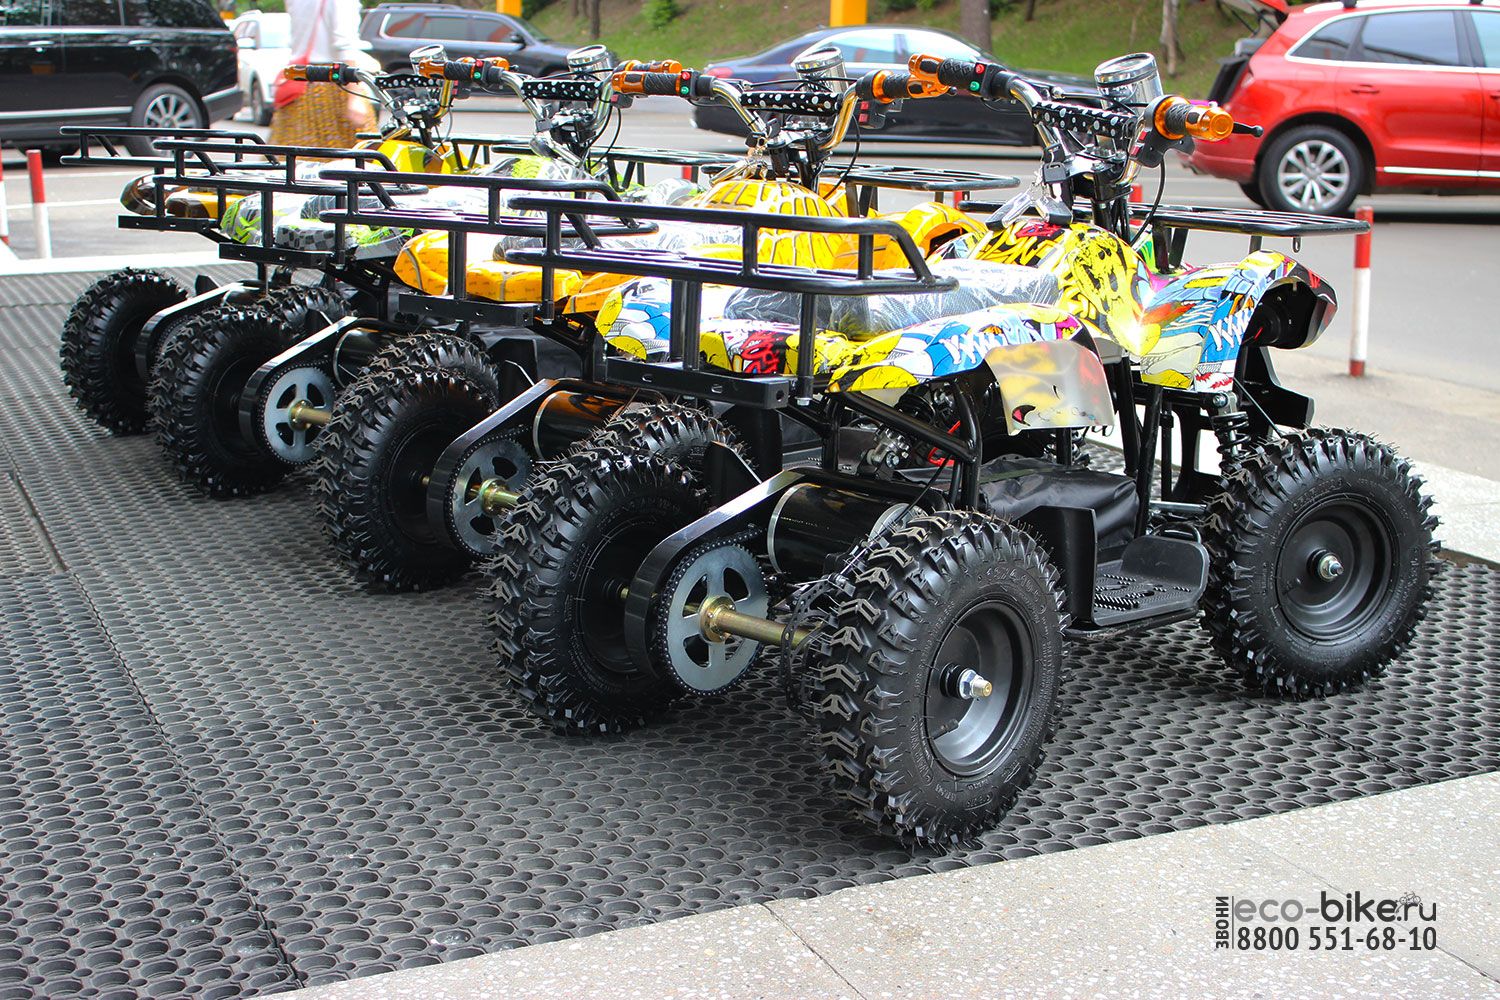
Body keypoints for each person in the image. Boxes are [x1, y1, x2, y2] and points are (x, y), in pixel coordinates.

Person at [270, 0, 379, 149]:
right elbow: (345, 45)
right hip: (332, 84)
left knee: (291, 154)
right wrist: (355, 97)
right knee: (358, 155)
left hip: (300, 80)